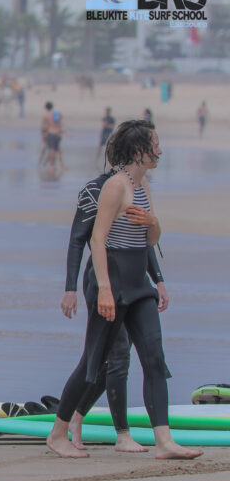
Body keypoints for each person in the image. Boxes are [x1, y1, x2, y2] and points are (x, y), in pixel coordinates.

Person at [47, 119, 201, 460]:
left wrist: (154, 223)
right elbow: (97, 239)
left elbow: (150, 239)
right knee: (93, 362)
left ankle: (164, 442)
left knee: (155, 360)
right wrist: (102, 289)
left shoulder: (142, 185)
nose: (160, 151)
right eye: (155, 145)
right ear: (139, 151)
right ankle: (58, 433)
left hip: (138, 285)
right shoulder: (115, 186)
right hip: (114, 282)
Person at [60, 161, 168, 451]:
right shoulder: (97, 191)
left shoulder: (136, 189)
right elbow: (77, 240)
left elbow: (140, 242)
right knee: (115, 355)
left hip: (133, 282)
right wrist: (70, 288)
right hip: (104, 281)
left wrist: (157, 279)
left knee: (120, 357)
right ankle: (120, 434)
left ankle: (77, 417)